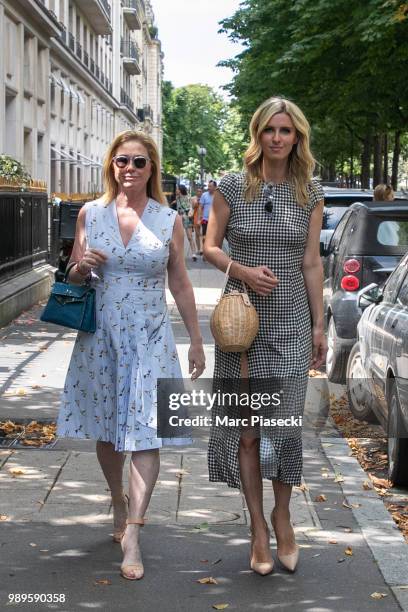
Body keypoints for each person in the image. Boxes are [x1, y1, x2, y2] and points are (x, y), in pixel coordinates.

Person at [57, 130, 205, 581]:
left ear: (152, 169)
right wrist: (81, 267)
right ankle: (117, 499)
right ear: (112, 165)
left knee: (147, 434)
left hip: (151, 334)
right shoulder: (91, 212)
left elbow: (179, 281)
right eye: (122, 161)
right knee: (107, 432)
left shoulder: (168, 219)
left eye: (140, 162)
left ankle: (134, 533)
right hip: (101, 335)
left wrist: (196, 340)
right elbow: (73, 273)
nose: (130, 169)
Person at [204, 96, 327, 575]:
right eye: (270, 130)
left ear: (297, 137)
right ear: (257, 135)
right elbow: (209, 245)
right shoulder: (232, 186)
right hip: (242, 323)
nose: (277, 138)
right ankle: (257, 527)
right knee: (249, 431)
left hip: (293, 320)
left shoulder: (310, 192)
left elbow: (312, 262)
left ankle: (283, 514)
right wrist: (241, 270)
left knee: (285, 427)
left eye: (286, 131)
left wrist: (320, 324)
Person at [176, 184, 198, 260]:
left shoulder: (188, 198)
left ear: (180, 190)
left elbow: (192, 207)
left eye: (177, 189)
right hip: (179, 219)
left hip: (187, 219)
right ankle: (179, 254)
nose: (176, 190)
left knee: (189, 237)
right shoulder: (177, 198)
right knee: (179, 237)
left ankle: (194, 253)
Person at [199, 180, 217, 252]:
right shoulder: (204, 195)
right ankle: (204, 250)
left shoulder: (218, 196)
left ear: (215, 187)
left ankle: (211, 251)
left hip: (215, 220)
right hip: (205, 219)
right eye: (208, 186)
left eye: (210, 186)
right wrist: (200, 217)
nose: (208, 188)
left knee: (213, 237)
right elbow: (200, 206)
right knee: (204, 236)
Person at [191, 187, 203, 255]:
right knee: (197, 234)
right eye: (198, 191)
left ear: (202, 192)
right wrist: (197, 201)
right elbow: (193, 207)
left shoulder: (204, 197)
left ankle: (202, 249)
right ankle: (198, 249)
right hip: (195, 217)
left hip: (203, 217)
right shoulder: (193, 198)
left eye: (200, 191)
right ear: (196, 192)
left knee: (202, 234)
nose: (199, 192)